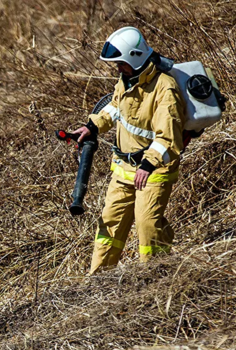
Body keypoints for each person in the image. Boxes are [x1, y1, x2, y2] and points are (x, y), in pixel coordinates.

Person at [72, 27, 185, 274]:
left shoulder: (165, 88)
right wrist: (93, 126)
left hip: (153, 170)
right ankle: (98, 280)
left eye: (121, 63)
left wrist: (148, 164)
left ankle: (155, 275)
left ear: (135, 58)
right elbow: (115, 107)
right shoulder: (126, 80)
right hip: (124, 168)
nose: (118, 68)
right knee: (108, 226)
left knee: (147, 225)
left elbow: (168, 137)